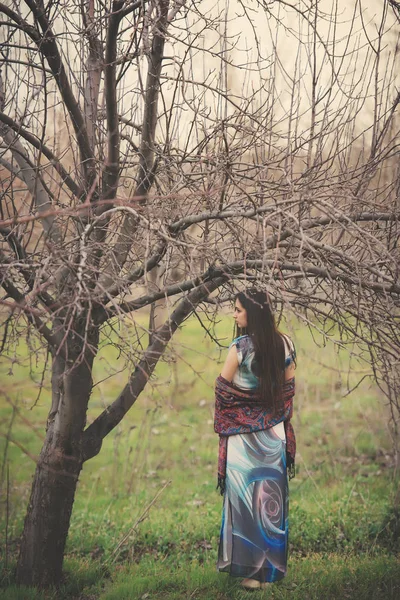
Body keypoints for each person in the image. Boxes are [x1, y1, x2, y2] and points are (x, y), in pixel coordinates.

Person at [214, 288, 296, 591]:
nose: (234, 315)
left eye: (238, 309)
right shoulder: (285, 344)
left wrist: (243, 410)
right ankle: (266, 573)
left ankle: (252, 575)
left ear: (253, 312)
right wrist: (267, 411)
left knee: (247, 506)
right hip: (274, 436)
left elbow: (223, 390)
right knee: (269, 505)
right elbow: (288, 392)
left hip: (243, 440)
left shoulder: (239, 348)